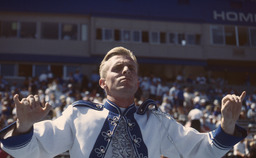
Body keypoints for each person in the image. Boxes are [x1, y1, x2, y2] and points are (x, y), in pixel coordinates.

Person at [0, 46, 248, 158]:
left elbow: (198, 151)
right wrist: (23, 126)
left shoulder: (157, 120)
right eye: (117, 68)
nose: (126, 71)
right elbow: (34, 151)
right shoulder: (78, 116)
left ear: (138, 82)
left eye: (131, 69)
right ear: (102, 83)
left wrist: (226, 125)